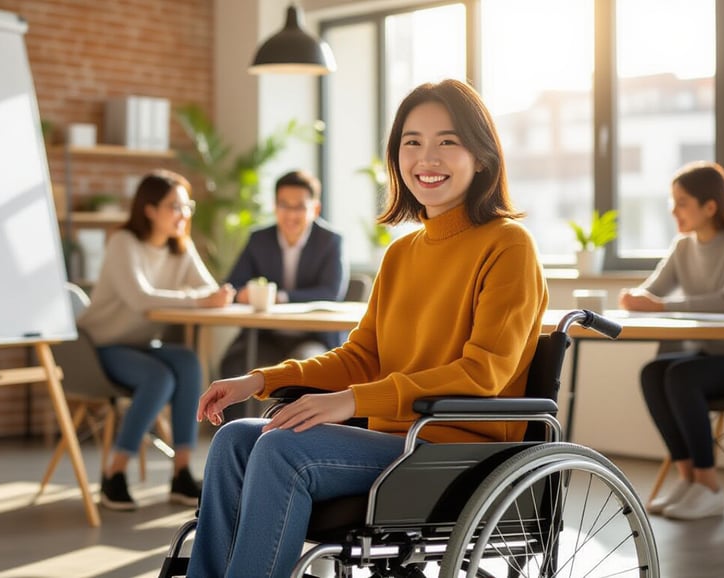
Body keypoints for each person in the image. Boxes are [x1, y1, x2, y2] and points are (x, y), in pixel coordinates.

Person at [187, 79, 549, 578]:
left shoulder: (508, 245)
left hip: (458, 448)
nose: (428, 157)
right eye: (412, 142)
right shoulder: (402, 253)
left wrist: (353, 402)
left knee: (281, 447)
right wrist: (260, 381)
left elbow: (484, 372)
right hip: (396, 442)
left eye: (448, 141)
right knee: (235, 440)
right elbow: (361, 356)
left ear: (482, 156)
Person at [619, 160, 724, 521]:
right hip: (711, 356)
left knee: (680, 376)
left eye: (682, 202)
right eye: (672, 202)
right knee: (653, 373)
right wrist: (634, 297)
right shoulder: (683, 247)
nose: (674, 210)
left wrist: (657, 305)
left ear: (710, 206)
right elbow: (653, 291)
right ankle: (689, 479)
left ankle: (709, 487)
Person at [77, 169, 235, 511]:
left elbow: (208, 290)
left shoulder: (181, 247)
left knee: (189, 363)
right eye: (174, 206)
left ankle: (181, 473)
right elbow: (140, 298)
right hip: (99, 345)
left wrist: (217, 295)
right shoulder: (124, 243)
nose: (184, 214)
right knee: (159, 376)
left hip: (141, 345)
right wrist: (199, 299)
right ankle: (114, 475)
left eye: (187, 206)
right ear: (149, 209)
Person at [219, 169, 349, 383]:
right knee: (237, 365)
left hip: (313, 337)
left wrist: (281, 297)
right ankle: (237, 419)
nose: (290, 214)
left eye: (299, 207)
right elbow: (232, 285)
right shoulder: (259, 239)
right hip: (265, 336)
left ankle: (294, 419)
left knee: (309, 367)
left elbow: (330, 292)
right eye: (283, 205)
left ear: (315, 209)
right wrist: (242, 293)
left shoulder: (330, 241)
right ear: (274, 206)